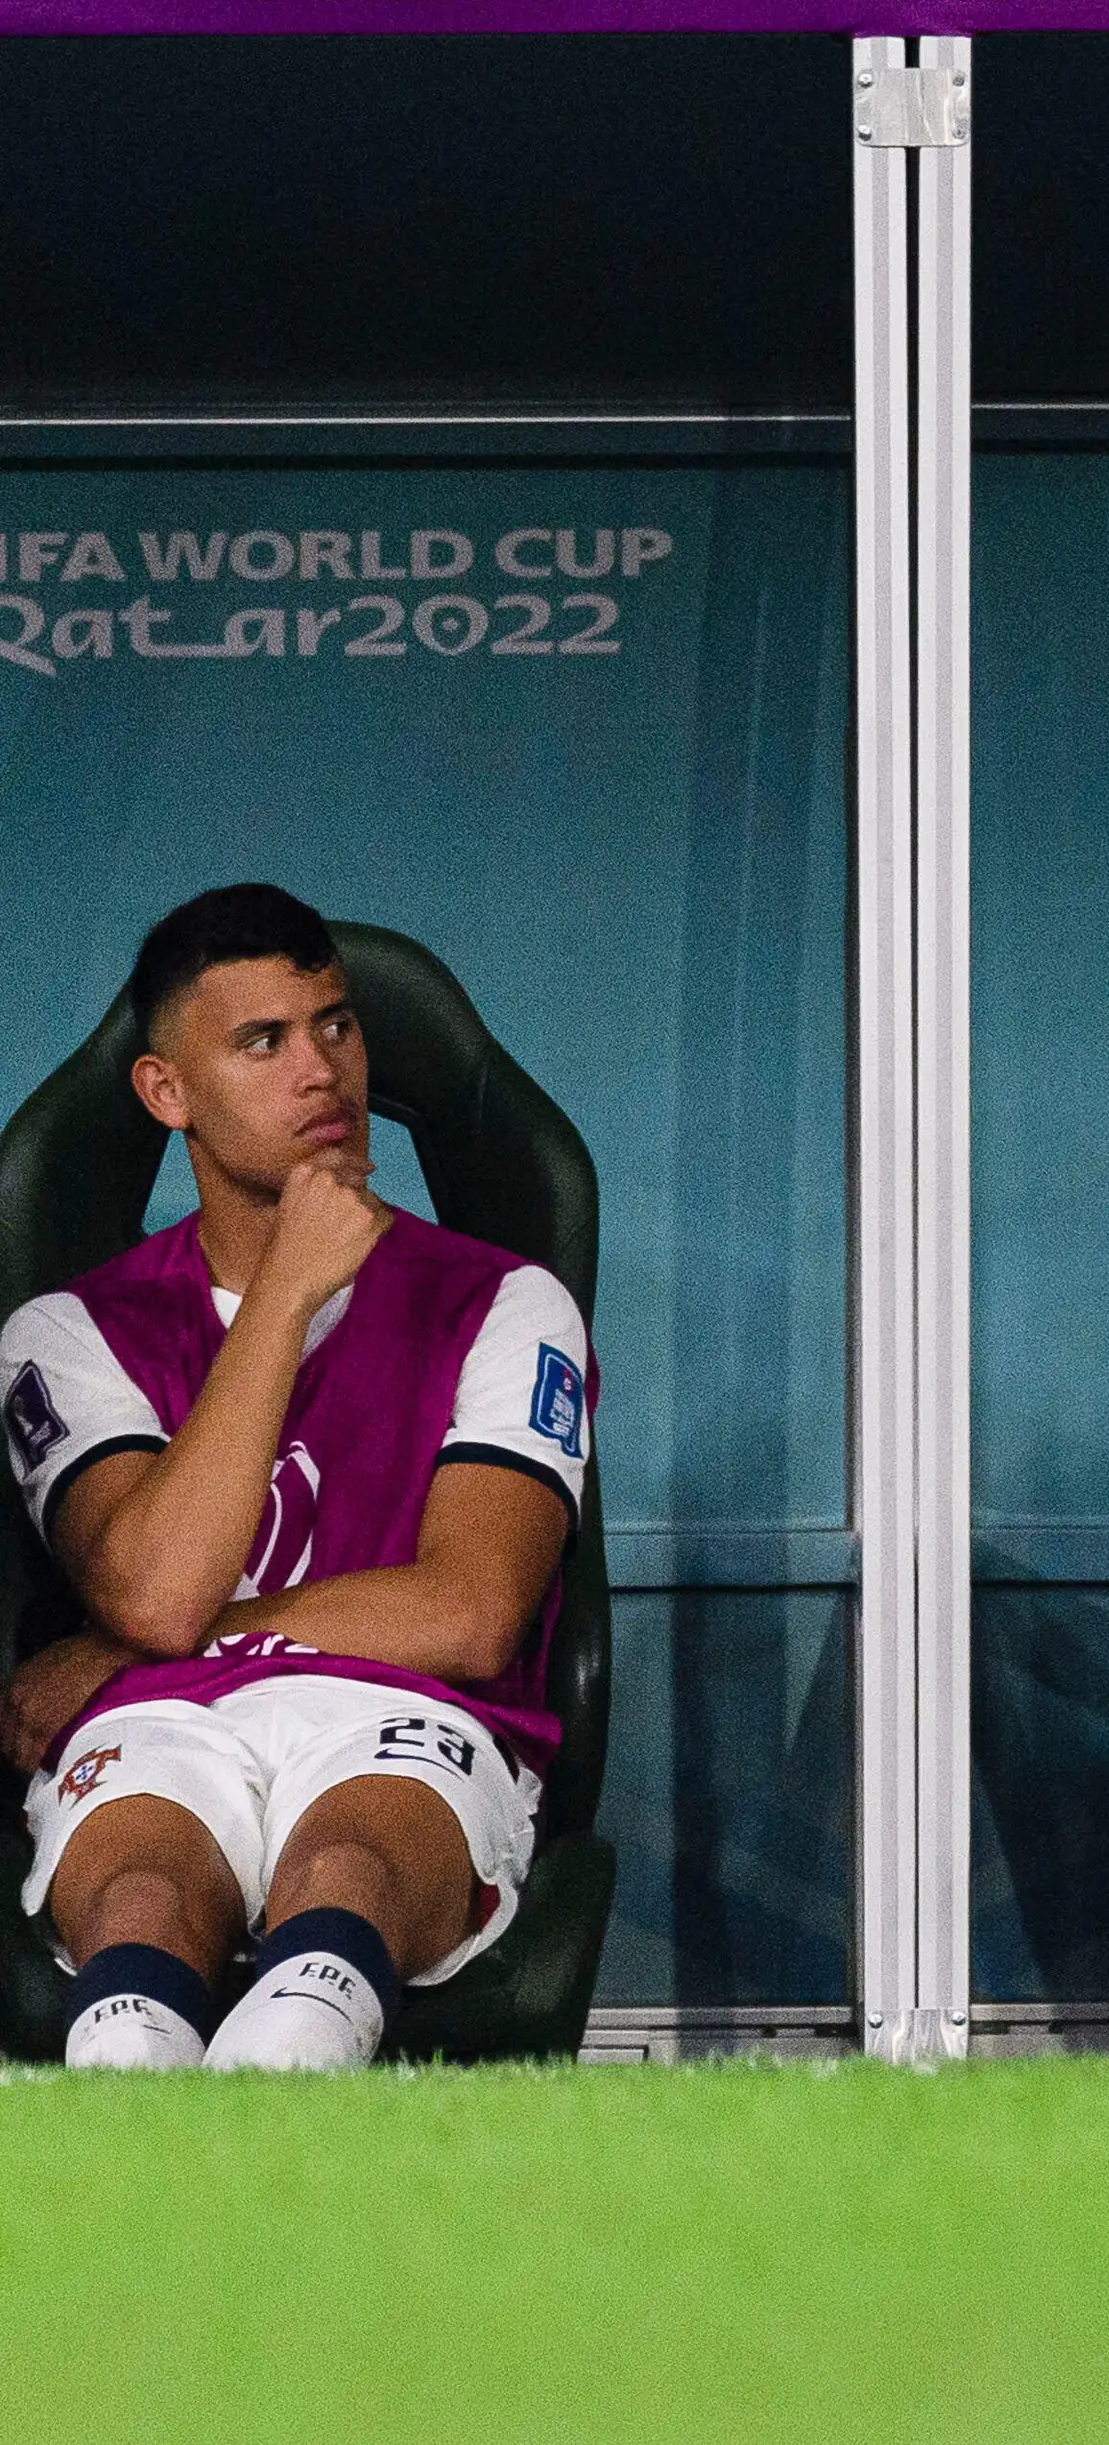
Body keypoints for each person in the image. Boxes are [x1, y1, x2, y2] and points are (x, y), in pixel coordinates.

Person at [2, 885, 590, 2070]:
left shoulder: (505, 1300)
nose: (321, 1070)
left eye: (335, 1025)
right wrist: (285, 1293)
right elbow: (159, 1584)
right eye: (262, 1041)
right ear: (168, 1092)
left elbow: (472, 1614)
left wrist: (149, 1643)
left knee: (342, 1887)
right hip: (161, 1723)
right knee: (140, 1935)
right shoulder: (68, 1333)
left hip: (407, 1708)